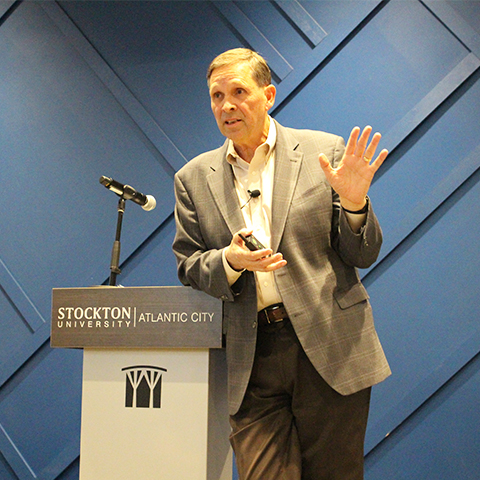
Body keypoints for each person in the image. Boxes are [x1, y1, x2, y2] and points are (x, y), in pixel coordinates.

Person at [172, 48, 391, 480]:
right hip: (251, 354)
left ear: (268, 94)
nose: (227, 105)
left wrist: (353, 203)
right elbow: (189, 263)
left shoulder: (323, 151)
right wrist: (230, 261)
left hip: (328, 344)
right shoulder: (192, 178)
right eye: (217, 96)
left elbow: (362, 254)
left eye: (238, 92)